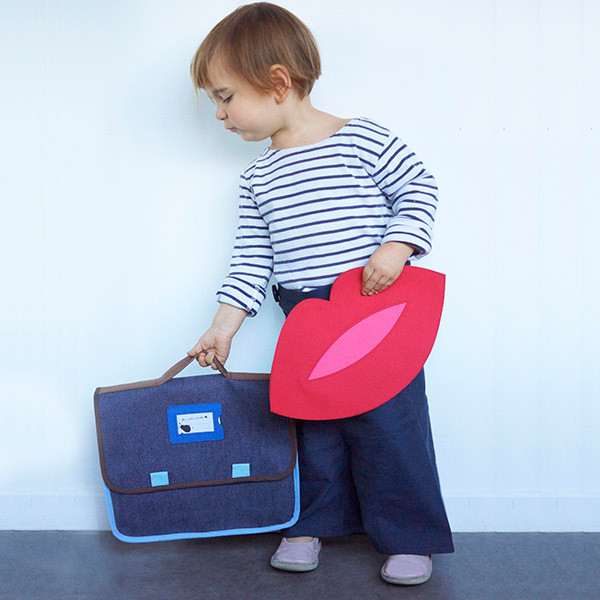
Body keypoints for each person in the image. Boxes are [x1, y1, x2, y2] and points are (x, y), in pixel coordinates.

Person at [187, 2, 454, 586]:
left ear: (278, 82)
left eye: (225, 96)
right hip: (305, 317)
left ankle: (408, 535)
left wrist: (397, 247)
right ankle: (309, 525)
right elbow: (252, 260)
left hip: (374, 310)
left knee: (391, 426)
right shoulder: (258, 176)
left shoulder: (362, 139)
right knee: (314, 427)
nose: (220, 114)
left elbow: (419, 187)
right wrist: (223, 327)